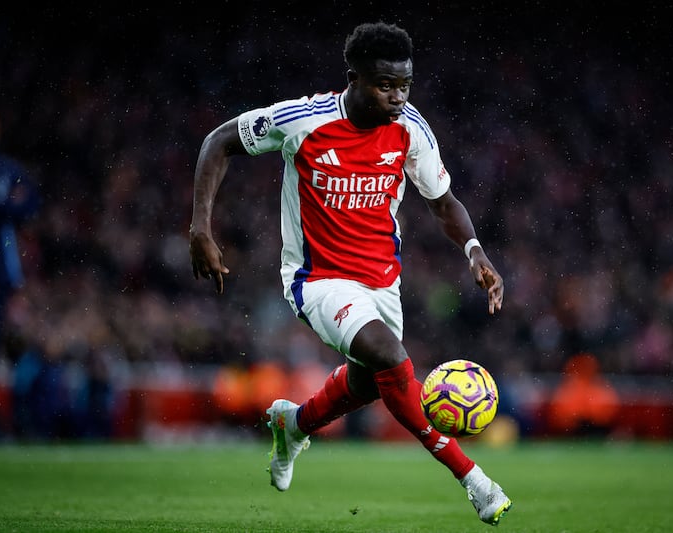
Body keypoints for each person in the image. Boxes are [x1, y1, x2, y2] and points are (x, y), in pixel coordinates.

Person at [189, 22, 512, 525]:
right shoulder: (304, 120)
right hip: (317, 279)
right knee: (390, 355)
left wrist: (475, 251)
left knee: (368, 382)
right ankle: (473, 478)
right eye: (385, 85)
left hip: (383, 282)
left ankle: (293, 424)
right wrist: (200, 228)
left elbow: (443, 201)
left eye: (404, 85)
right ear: (354, 79)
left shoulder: (411, 129)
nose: (397, 97)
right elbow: (218, 141)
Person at [0, 111, 39, 352]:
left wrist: (5, 207)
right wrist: (5, 204)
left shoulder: (9, 170)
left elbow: (29, 205)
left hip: (1, 261)